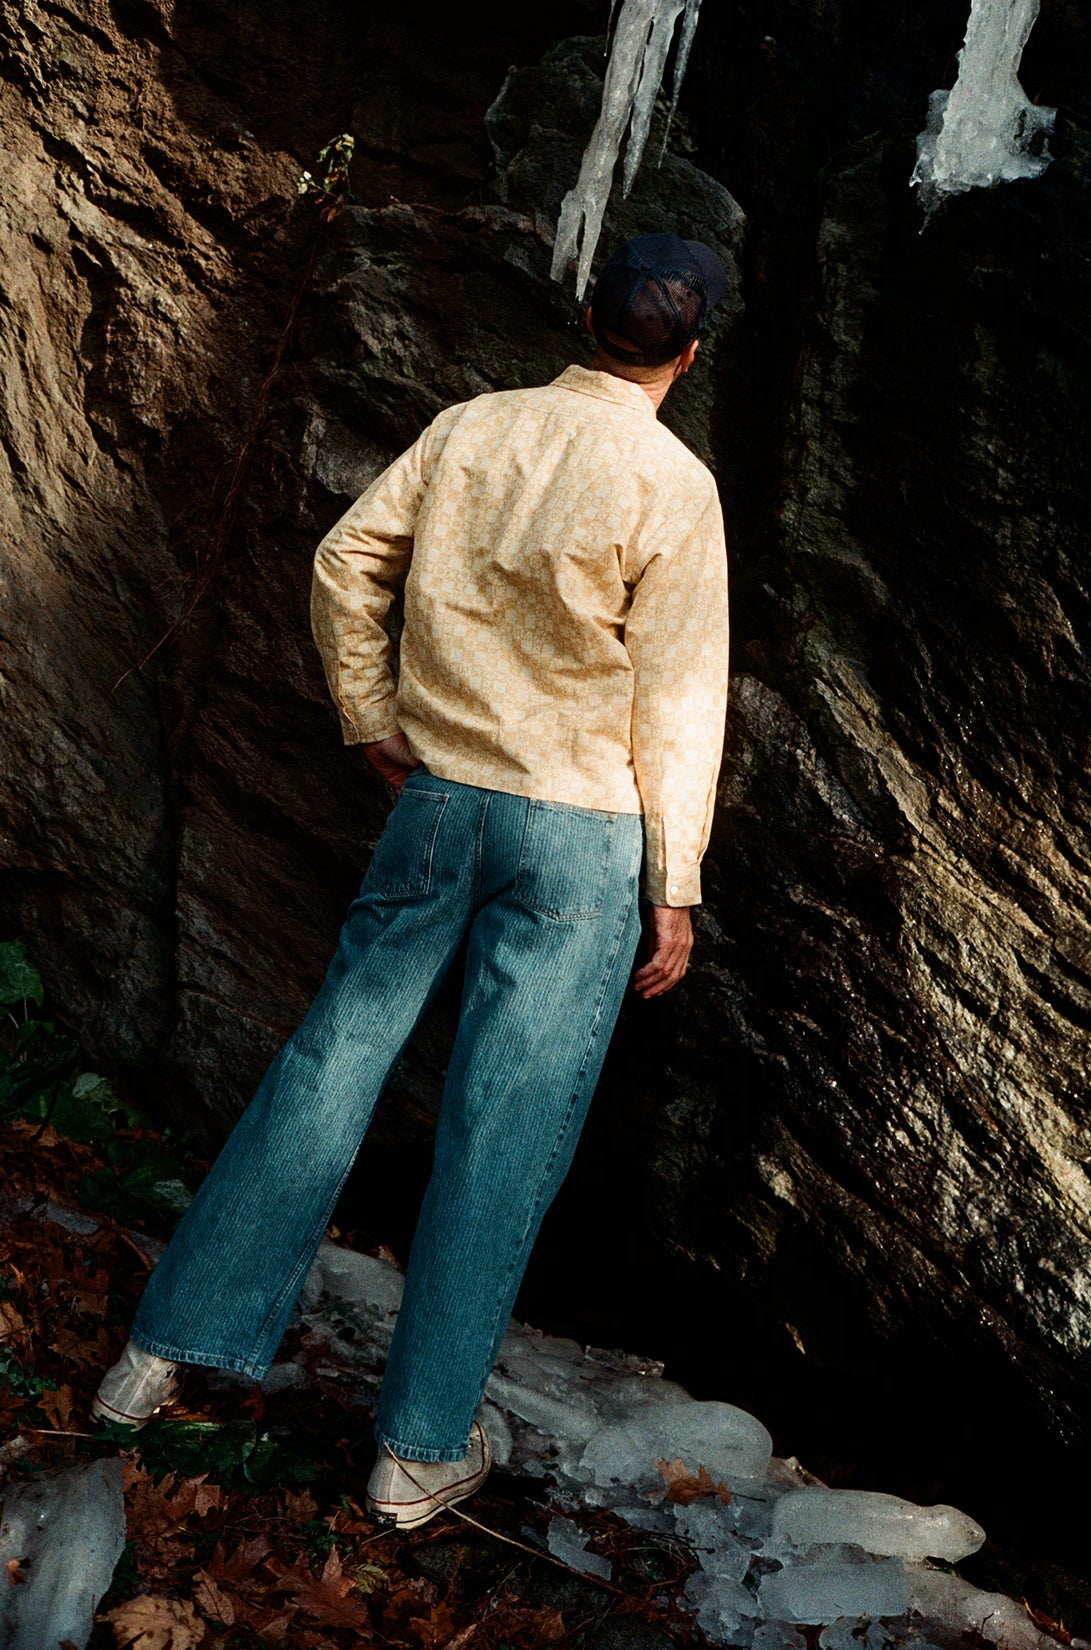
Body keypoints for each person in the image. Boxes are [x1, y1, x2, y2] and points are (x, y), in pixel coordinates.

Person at [92, 232, 730, 1530]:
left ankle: (154, 1357)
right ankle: (419, 1447)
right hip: (582, 835)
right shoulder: (676, 484)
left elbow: (345, 560)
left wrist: (373, 715)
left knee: (333, 1057)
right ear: (691, 349)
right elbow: (678, 695)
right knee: (502, 1128)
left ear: (586, 312)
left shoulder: (475, 427)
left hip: (437, 802)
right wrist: (677, 880)